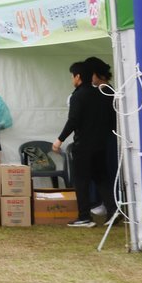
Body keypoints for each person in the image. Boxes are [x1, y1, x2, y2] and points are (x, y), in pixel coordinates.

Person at [53, 59, 117, 228]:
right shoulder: (99, 94)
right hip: (100, 144)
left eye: (72, 76)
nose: (72, 79)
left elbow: (73, 120)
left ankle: (84, 216)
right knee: (101, 178)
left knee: (81, 181)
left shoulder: (78, 96)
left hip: (83, 146)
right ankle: (113, 209)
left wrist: (59, 139)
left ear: (78, 77)